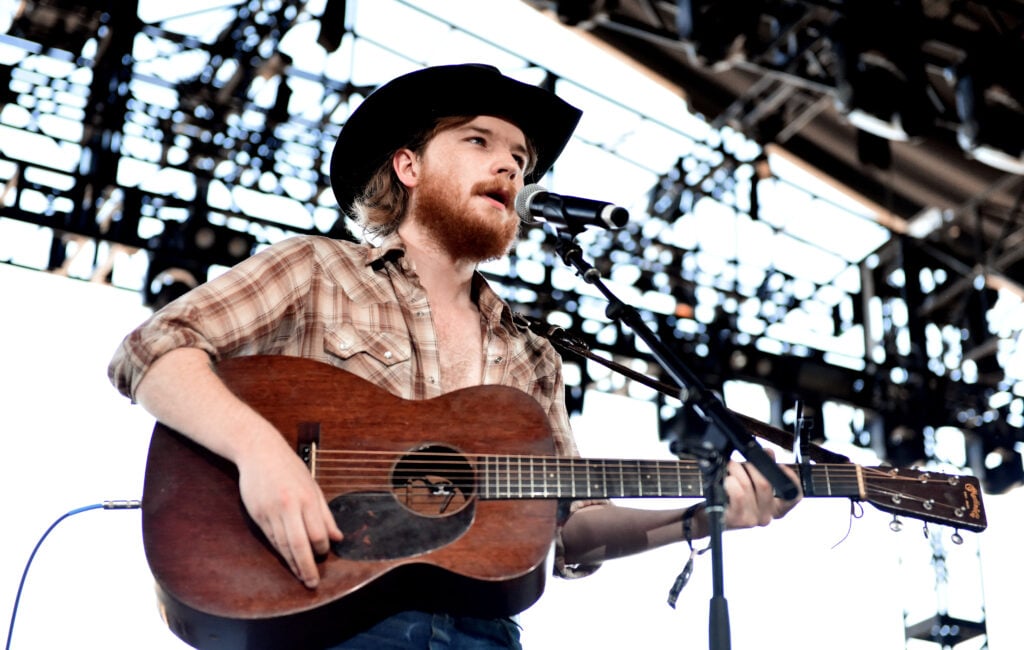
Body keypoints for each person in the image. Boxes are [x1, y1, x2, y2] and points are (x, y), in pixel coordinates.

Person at [108, 63, 801, 649]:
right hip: (320, 617)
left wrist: (704, 515)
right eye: (479, 141)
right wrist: (262, 455)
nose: (508, 164)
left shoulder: (532, 354)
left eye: (521, 159)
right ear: (407, 166)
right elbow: (152, 353)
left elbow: (571, 529)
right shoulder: (319, 270)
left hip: (482, 634)